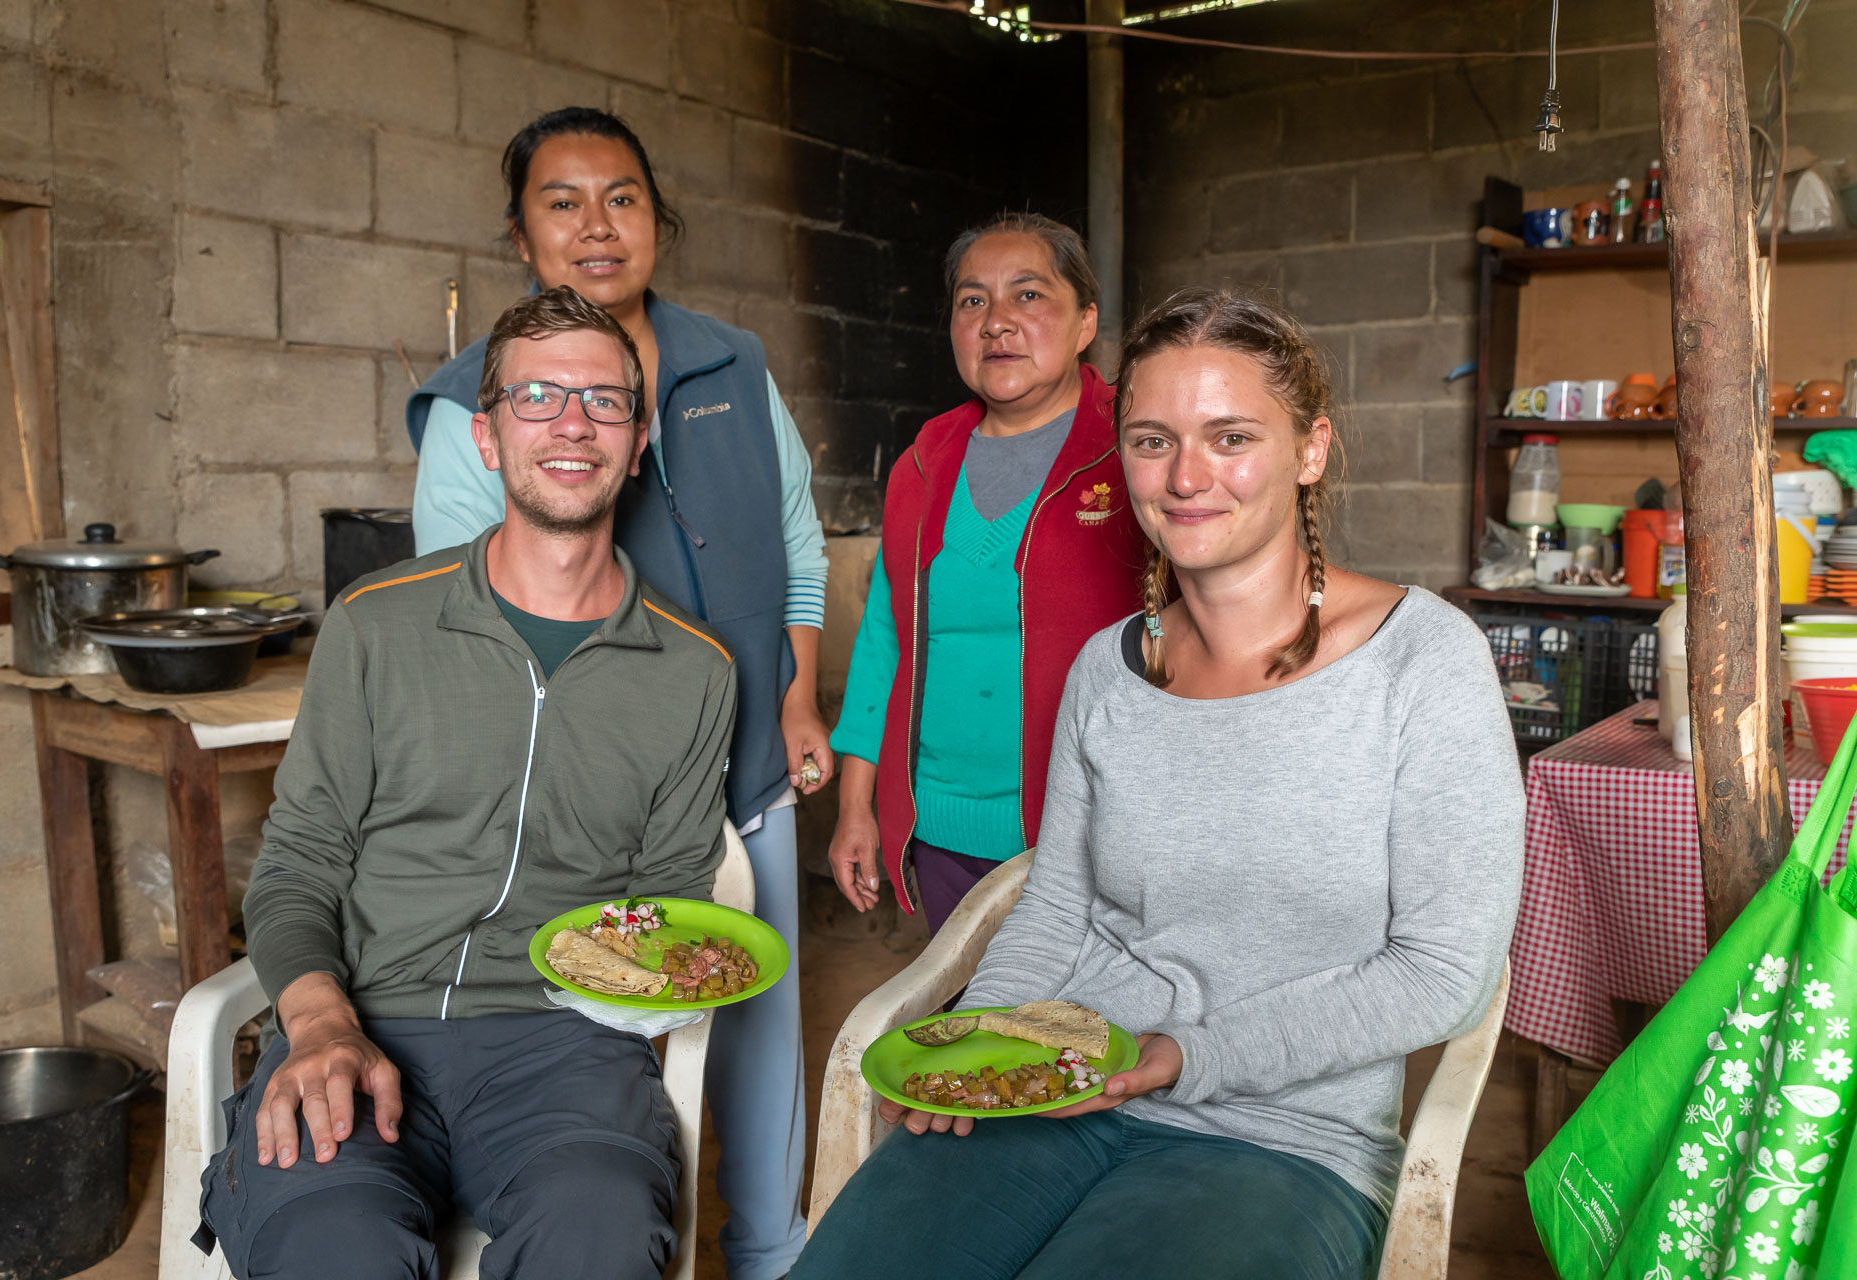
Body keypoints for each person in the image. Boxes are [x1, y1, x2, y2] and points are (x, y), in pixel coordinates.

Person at [793, 290, 1525, 1280]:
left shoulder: (1421, 660)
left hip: (1278, 1140)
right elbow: (1057, 909)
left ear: (1310, 449)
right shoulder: (1109, 669)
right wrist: (970, 1051)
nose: (1186, 477)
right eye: (1150, 439)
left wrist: (1185, 1051)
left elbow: (1441, 970)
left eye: (1230, 436)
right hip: (1057, 1086)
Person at [197, 288, 737, 1279]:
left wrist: (662, 961)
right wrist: (317, 1021)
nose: (573, 423)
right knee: (330, 1242)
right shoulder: (374, 625)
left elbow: (664, 905)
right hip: (359, 1013)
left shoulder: (695, 670)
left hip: (562, 1045)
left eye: (604, 400)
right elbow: (298, 864)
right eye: (537, 396)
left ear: (639, 433)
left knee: (602, 1233)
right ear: (488, 435)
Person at [405, 107, 821, 1278]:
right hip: (578, 807)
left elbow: (796, 541)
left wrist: (796, 699)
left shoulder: (732, 365)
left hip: (745, 765)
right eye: (562, 201)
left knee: (761, 1034)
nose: (597, 225)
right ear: (519, 233)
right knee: (603, 1041)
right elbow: (459, 622)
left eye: (623, 197)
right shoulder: (473, 408)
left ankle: (773, 1248)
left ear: (657, 218)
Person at [825, 213, 1149, 934]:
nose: (997, 321)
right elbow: (884, 640)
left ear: (1085, 321)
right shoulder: (923, 462)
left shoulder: (1136, 448)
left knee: (1078, 1042)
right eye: (973, 301)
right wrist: (856, 808)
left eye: (1028, 296)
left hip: (1091, 834)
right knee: (974, 1036)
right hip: (942, 832)